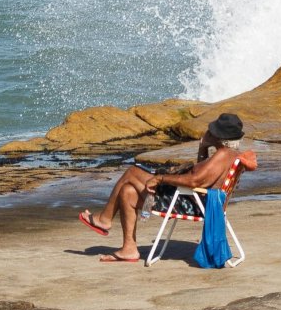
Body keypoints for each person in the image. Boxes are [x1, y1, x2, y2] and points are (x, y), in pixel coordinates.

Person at [78, 113, 245, 263]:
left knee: (132, 172)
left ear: (219, 136)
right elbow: (201, 172)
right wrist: (203, 147)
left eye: (212, 131)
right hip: (196, 200)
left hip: (189, 203)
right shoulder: (229, 155)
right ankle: (129, 249)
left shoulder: (222, 155)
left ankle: (105, 219)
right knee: (127, 191)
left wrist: (161, 178)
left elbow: (195, 181)